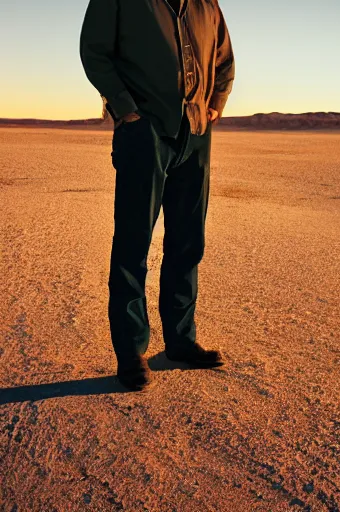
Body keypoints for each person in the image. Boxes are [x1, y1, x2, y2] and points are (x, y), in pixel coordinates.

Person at [79, 0, 235, 391]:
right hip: (144, 131)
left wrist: (214, 104)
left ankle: (181, 342)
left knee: (187, 242)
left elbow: (224, 60)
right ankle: (131, 352)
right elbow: (94, 51)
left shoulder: (206, 4)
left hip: (195, 133)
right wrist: (126, 107)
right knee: (133, 244)